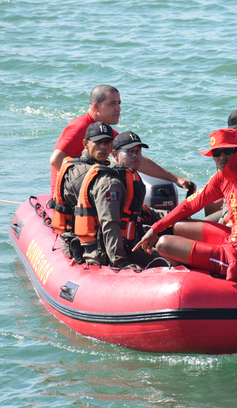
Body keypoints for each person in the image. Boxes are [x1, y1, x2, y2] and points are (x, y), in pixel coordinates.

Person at [134, 128, 237, 281]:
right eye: (217, 153)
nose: (222, 157)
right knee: (178, 226)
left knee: (163, 244)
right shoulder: (221, 178)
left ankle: (193, 275)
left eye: (227, 151)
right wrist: (155, 228)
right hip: (233, 240)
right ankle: (194, 262)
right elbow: (189, 205)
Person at [49, 84, 195, 194]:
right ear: (96, 106)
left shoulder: (108, 132)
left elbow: (139, 160)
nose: (118, 108)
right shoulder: (80, 126)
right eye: (112, 104)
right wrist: (91, 183)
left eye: (119, 103)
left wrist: (177, 179)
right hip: (72, 195)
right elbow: (56, 160)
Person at [72, 128, 159, 270]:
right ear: (115, 155)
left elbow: (141, 211)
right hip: (103, 253)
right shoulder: (110, 183)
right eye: (129, 152)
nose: (135, 156)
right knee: (172, 261)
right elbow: (110, 223)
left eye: (138, 151)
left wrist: (174, 218)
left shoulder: (128, 177)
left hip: (128, 244)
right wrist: (121, 262)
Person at [48, 121, 115, 261]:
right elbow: (109, 215)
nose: (103, 146)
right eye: (98, 142)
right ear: (85, 144)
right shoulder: (80, 174)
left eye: (108, 142)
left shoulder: (106, 167)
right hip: (85, 245)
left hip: (98, 238)